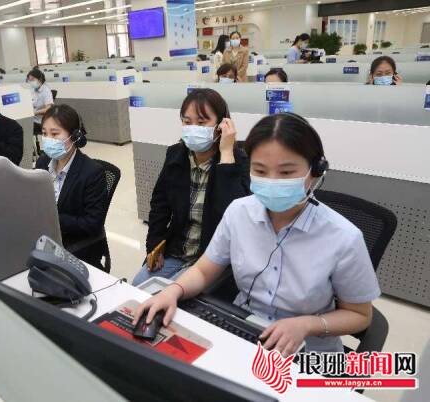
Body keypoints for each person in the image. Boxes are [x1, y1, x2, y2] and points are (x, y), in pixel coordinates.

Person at [133, 112, 381, 355]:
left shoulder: (344, 237)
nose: (272, 180)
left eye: (286, 172)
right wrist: (173, 290)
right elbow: (203, 271)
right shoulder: (239, 212)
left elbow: (359, 315)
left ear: (315, 170)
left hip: (307, 350)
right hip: (244, 329)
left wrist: (307, 325)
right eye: (260, 171)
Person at [132, 89, 250, 286]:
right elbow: (160, 205)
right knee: (138, 286)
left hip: (212, 259)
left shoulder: (237, 161)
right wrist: (154, 245)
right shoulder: (176, 155)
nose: (193, 128)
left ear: (221, 125)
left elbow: (235, 216)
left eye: (202, 122)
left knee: (169, 297)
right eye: (187, 122)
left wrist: (226, 155)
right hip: (177, 250)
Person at [35, 105, 108, 270]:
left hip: (73, 245)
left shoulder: (92, 172)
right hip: (44, 236)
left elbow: (92, 223)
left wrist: (52, 218)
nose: (48, 139)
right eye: (44, 134)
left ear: (75, 136)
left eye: (55, 134)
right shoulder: (43, 162)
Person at [27, 68, 54, 154]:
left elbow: (48, 109)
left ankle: (31, 152)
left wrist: (35, 112)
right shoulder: (33, 90)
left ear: (40, 79)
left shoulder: (46, 90)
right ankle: (30, 151)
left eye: (32, 79)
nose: (31, 82)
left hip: (40, 121)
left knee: (23, 128)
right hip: (32, 119)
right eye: (29, 80)